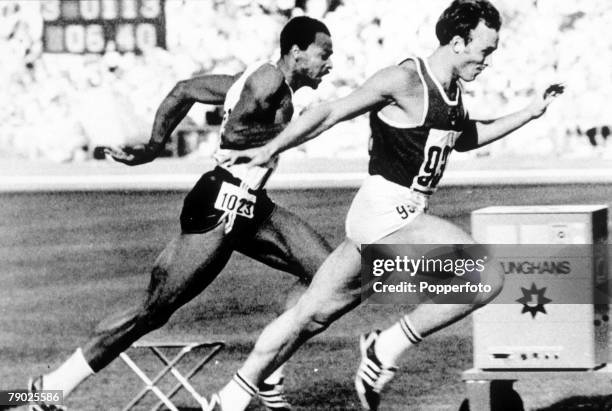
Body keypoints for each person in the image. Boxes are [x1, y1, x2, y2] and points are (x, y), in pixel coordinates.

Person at [212, 1, 564, 410]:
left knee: (310, 315)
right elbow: (330, 112)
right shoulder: (405, 79)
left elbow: (464, 137)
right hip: (386, 212)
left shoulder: (452, 90)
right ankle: (384, 348)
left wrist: (529, 113)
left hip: (391, 216)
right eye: (484, 51)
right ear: (456, 42)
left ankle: (232, 394)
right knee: (482, 276)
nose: (488, 61)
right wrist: (272, 147)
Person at [28, 16, 334, 411]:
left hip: (250, 204)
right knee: (151, 312)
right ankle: (47, 391)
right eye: (324, 54)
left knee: (329, 272)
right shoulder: (267, 81)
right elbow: (234, 137)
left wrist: (155, 145)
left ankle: (265, 378)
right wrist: (304, 130)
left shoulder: (257, 81)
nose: (329, 64)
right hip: (221, 202)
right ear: (296, 52)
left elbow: (183, 90)